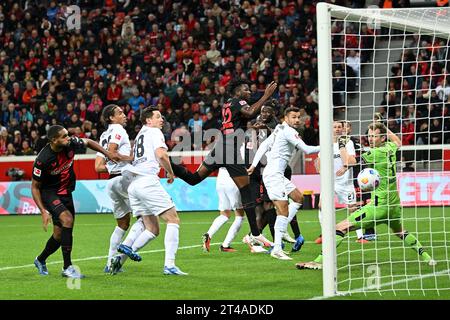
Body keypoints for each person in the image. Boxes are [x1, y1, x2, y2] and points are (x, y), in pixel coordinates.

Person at [296, 122, 436, 270]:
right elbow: (398, 142)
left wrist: (341, 145)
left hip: (378, 207)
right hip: (394, 206)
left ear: (382, 138)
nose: (370, 139)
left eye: (374, 136)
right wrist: (383, 126)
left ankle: (319, 261)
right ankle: (428, 258)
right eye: (369, 135)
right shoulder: (390, 148)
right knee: (400, 232)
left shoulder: (374, 153)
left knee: (339, 228)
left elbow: (349, 161)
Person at [170, 80, 278, 248]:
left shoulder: (227, 104)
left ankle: (168, 162)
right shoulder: (238, 101)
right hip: (230, 150)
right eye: (246, 89)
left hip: (218, 148)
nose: (249, 92)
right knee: (246, 190)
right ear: (237, 91)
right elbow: (249, 112)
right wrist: (265, 96)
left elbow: (240, 120)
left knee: (194, 179)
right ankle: (255, 234)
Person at [32, 125, 122, 278]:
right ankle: (67, 268)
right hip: (50, 193)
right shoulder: (43, 159)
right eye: (64, 136)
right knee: (67, 220)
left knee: (60, 235)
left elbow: (88, 142)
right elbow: (34, 187)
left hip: (66, 193)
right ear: (54, 140)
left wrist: (107, 153)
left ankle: (40, 260)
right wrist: (43, 211)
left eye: (68, 135)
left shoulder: (71, 143)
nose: (69, 138)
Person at [110, 107, 187, 275]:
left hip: (134, 185)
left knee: (152, 228)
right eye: (158, 117)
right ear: (148, 121)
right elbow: (161, 154)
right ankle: (170, 265)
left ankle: (119, 258)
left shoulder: (140, 135)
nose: (162, 120)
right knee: (173, 219)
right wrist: (170, 171)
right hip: (147, 182)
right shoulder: (155, 132)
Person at [248, 107, 321, 260]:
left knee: (298, 198)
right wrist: (328, 146)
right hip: (274, 175)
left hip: (277, 174)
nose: (297, 120)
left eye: (298, 117)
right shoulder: (287, 130)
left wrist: (254, 165)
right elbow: (307, 150)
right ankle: (277, 248)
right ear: (286, 118)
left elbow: (263, 146)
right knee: (283, 210)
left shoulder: (279, 128)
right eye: (293, 117)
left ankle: (283, 227)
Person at [94, 104, 141, 273]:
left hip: (112, 182)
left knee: (123, 223)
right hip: (124, 178)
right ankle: (126, 251)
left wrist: (112, 166)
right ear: (111, 118)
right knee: (145, 217)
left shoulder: (104, 135)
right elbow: (113, 152)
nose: (124, 115)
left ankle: (109, 264)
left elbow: (98, 166)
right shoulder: (118, 130)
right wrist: (131, 158)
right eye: (120, 113)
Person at [252, 102, 304, 252]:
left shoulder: (276, 126)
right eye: (262, 111)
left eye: (267, 112)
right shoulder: (263, 125)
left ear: (274, 114)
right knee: (285, 202)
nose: (264, 114)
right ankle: (293, 234)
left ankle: (272, 240)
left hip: (274, 169)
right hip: (276, 167)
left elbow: (270, 142)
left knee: (272, 205)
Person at [315, 121, 364, 244]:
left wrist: (345, 167)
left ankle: (360, 237)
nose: (337, 129)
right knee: (322, 206)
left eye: (339, 127)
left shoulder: (348, 142)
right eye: (334, 127)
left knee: (353, 208)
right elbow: (319, 160)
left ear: (343, 129)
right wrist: (321, 171)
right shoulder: (326, 143)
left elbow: (353, 160)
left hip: (345, 183)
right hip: (329, 183)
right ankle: (324, 234)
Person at [202, 167, 246, 253]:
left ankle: (208, 234)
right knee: (240, 216)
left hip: (220, 180)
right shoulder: (241, 152)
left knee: (224, 215)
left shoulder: (218, 152)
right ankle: (225, 245)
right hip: (232, 180)